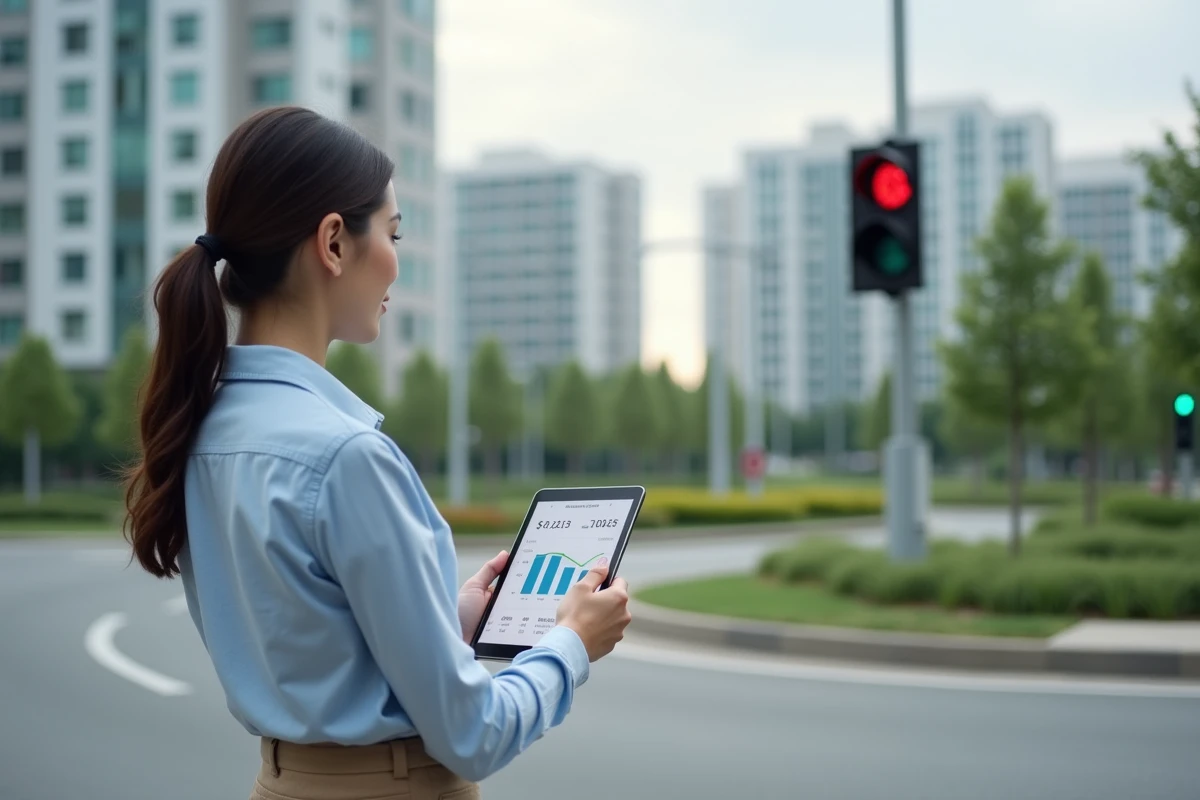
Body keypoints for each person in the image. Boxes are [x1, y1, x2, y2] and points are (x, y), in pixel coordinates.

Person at [123, 106, 633, 800]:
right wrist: (571, 642)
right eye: (392, 234)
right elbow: (475, 734)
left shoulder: (199, 431)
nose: (397, 260)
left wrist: (449, 618)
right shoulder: (347, 457)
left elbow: (310, 642)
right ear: (334, 242)